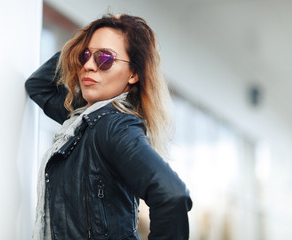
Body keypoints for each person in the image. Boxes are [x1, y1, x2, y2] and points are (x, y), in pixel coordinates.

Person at [25, 14, 192, 240]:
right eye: (85, 56)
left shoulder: (113, 125)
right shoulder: (81, 120)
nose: (89, 66)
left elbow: (172, 196)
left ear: (133, 73)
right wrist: (84, 37)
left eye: (104, 58)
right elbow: (38, 86)